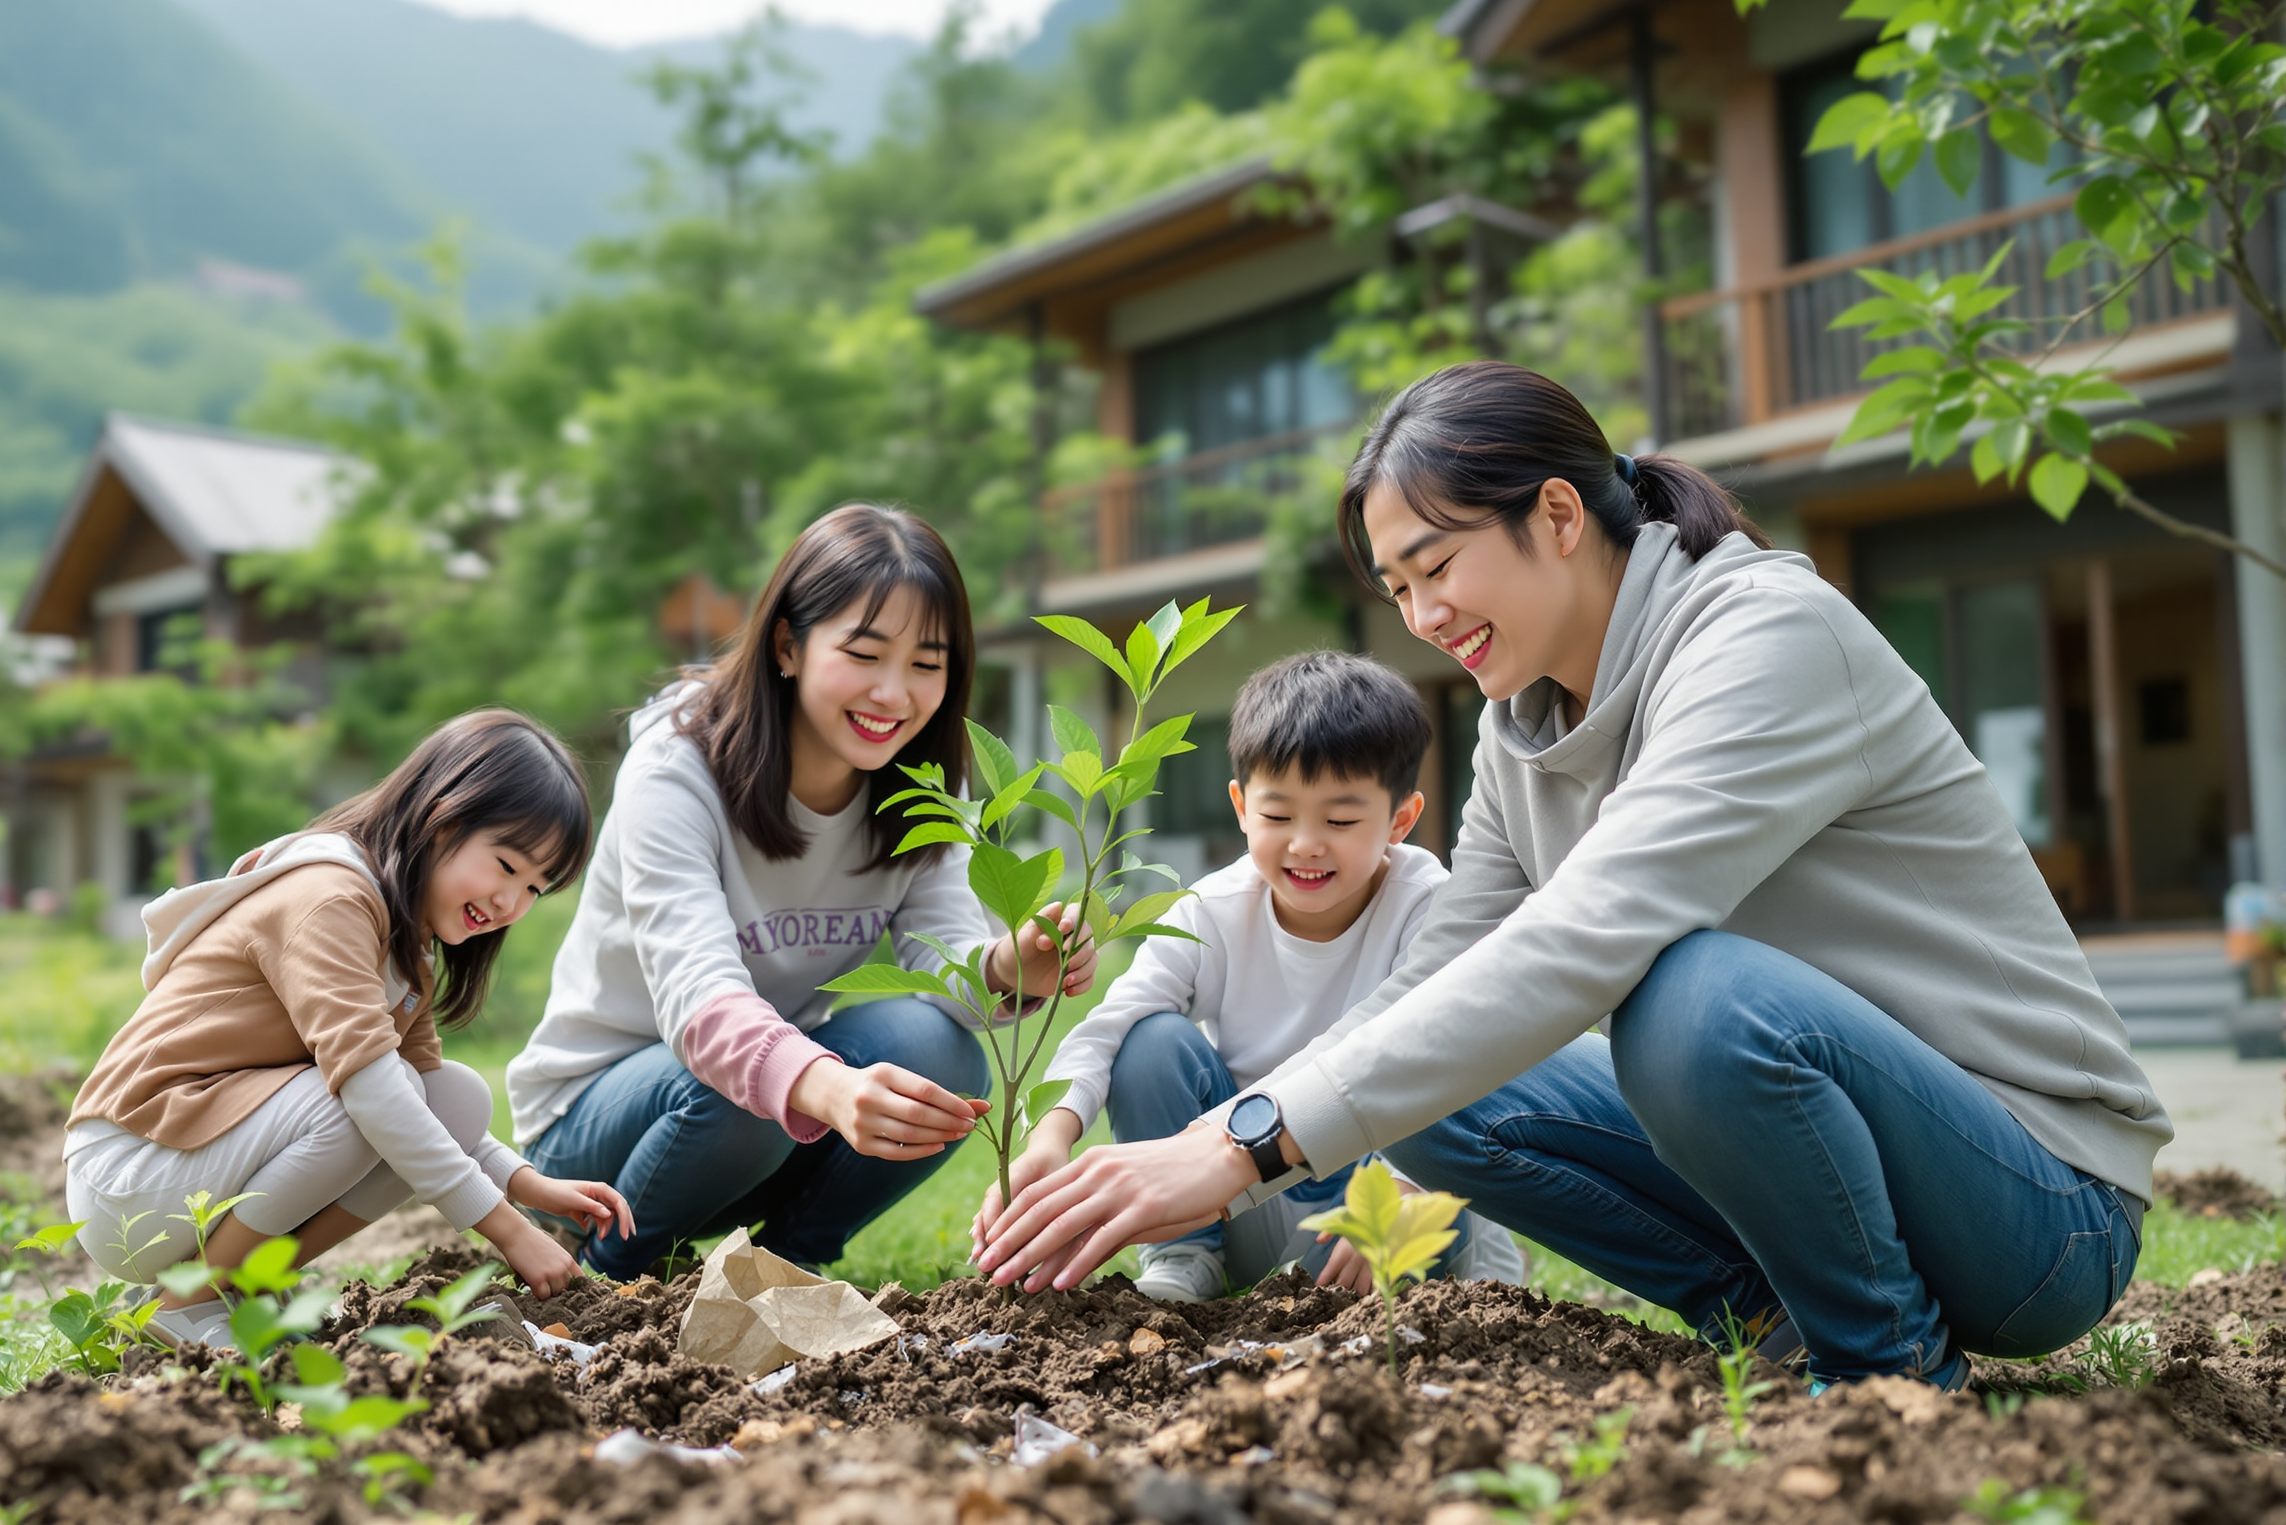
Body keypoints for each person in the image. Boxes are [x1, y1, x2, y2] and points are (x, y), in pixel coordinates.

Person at [975, 361, 2169, 1391]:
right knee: (1439, 1075)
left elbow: (1592, 936)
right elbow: (1435, 982)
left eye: (1436, 566)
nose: (1423, 615)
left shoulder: (1761, 636)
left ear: (1554, 513)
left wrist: (1238, 1147)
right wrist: (1213, 1144)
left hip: (2035, 1211)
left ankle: (1882, 1367)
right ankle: (1767, 1319)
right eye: (1396, 589)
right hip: (1838, 1169)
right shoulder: (1522, 726)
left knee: (1690, 996)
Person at [509, 503, 1095, 1278]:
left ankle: (788, 1266)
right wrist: (823, 1084)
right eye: (864, 653)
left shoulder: (922, 787)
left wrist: (1006, 970)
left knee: (939, 1053)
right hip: (594, 1128)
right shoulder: (677, 773)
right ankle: (613, 1267)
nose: (894, 694)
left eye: (927, 663)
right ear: (788, 645)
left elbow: (942, 958)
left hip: (760, 1133)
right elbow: (699, 998)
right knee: (751, 1088)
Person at [61, 710, 633, 1348]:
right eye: (505, 865)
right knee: (362, 1103)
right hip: (129, 1176)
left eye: (535, 888)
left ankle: (236, 1282)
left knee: (454, 1093)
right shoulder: (331, 897)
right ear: (443, 816)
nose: (510, 905)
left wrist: (527, 1186)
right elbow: (373, 1089)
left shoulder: (403, 934)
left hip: (194, 1165)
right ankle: (190, 1299)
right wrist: (505, 1227)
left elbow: (429, 1102)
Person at [977, 651, 1525, 1302]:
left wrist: (1408, 1182)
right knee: (1149, 1040)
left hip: (1379, 1190)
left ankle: (1377, 1289)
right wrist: (1051, 1135)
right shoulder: (1211, 912)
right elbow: (1107, 1028)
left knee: (1446, 1068)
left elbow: (1467, 1059)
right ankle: (1184, 1259)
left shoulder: (1431, 908)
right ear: (1240, 806)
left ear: (1400, 820)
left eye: (1342, 820)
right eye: (1278, 815)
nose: (1305, 844)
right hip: (1234, 1191)